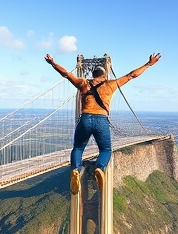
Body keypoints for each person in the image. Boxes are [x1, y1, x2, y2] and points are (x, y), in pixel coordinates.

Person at [44, 52, 162, 194]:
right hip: (101, 120)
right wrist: (148, 64)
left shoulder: (83, 84)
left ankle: (75, 170)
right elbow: (132, 75)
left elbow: (66, 74)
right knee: (105, 150)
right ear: (104, 75)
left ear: (93, 74)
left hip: (85, 119)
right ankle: (100, 168)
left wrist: (52, 63)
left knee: (78, 148)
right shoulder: (111, 85)